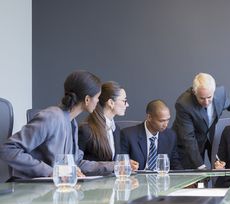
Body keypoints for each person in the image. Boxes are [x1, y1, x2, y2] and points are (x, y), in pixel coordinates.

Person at [0, 70, 136, 179]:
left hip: (54, 192)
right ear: (87, 99)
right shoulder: (51, 117)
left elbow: (77, 162)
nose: (98, 102)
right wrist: (51, 172)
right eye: (97, 97)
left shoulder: (72, 123)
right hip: (32, 195)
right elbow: (8, 149)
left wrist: (115, 165)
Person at [172, 73, 230, 169]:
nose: (206, 102)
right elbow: (188, 138)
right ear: (194, 92)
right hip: (189, 145)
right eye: (202, 98)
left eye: (209, 97)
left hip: (210, 138)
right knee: (195, 179)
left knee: (219, 171)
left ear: (214, 91)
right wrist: (200, 166)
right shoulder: (184, 104)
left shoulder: (220, 92)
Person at [78, 81, 137, 168]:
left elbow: (112, 162)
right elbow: (77, 164)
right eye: (124, 101)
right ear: (111, 103)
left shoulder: (116, 129)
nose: (127, 105)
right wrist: (116, 165)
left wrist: (124, 165)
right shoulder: (86, 130)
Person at [120, 99, 182, 170]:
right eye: (162, 121)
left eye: (168, 119)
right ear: (149, 117)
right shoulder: (128, 135)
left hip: (161, 179)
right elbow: (121, 163)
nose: (166, 124)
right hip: (137, 179)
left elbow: (175, 164)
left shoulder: (170, 136)